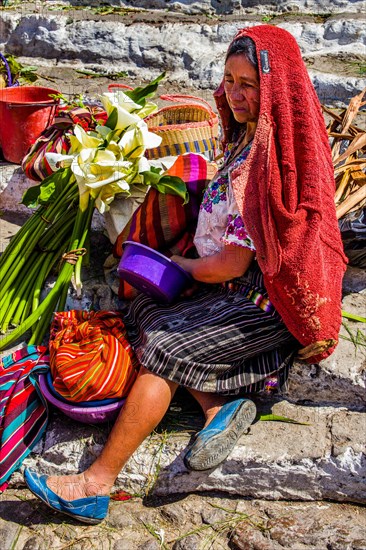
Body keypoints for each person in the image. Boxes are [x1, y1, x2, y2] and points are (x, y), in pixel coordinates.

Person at [24, 25, 347, 524]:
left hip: (264, 302)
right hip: (231, 287)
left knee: (162, 350)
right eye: (229, 79)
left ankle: (95, 483)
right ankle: (218, 407)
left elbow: (234, 263)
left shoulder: (266, 167)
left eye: (248, 85)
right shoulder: (245, 140)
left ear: (274, 88)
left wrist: (181, 265)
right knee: (145, 305)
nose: (234, 94)